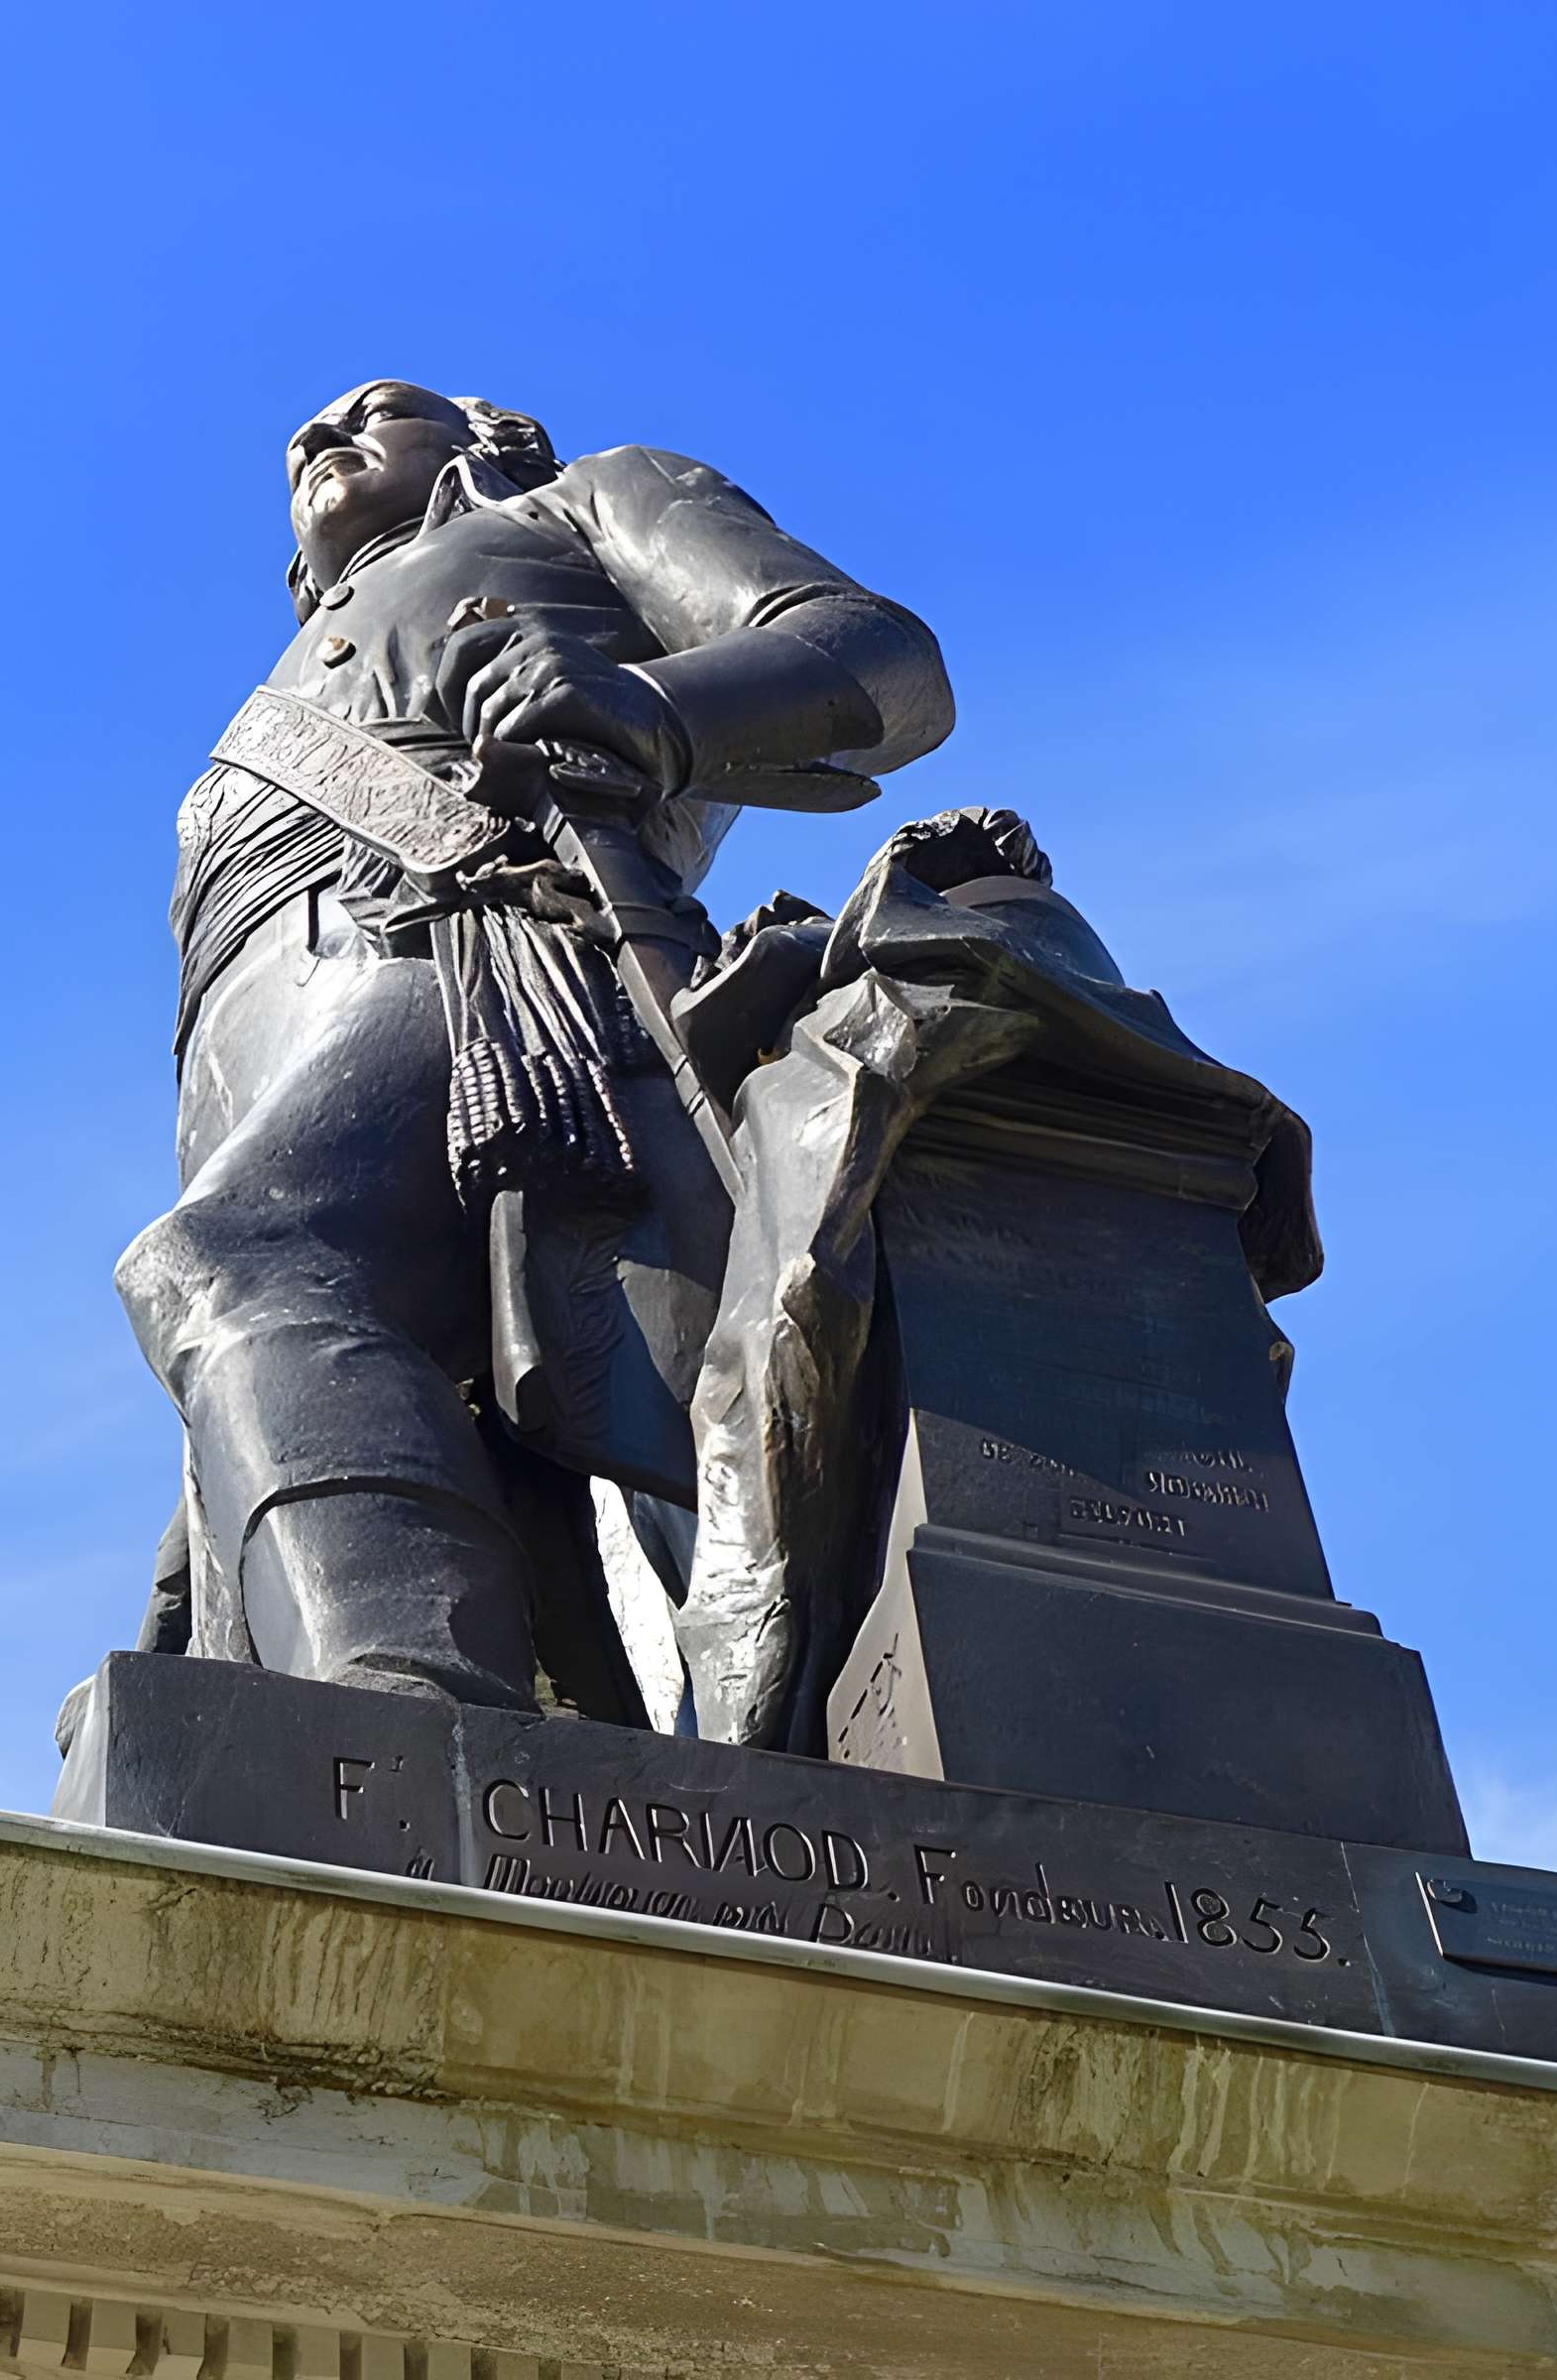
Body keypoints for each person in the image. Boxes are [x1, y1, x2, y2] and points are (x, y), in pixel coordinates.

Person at [111, 381, 952, 1716]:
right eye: (299, 442)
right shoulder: (285, 671)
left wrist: (650, 708)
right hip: (258, 1053)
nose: (320, 439)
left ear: (485, 440)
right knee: (255, 1330)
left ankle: (400, 1714)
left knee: (243, 1256)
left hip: (485, 964)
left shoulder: (589, 499)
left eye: (377, 410)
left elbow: (879, 657)